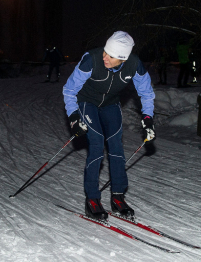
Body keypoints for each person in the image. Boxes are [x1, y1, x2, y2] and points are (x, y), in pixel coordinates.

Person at [62, 31, 156, 220]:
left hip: (111, 104)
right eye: (105, 51)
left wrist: (148, 119)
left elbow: (146, 93)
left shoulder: (134, 65)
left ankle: (118, 197)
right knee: (96, 144)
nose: (105, 56)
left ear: (122, 58)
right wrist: (73, 117)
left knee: (116, 146)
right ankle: (93, 200)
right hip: (86, 101)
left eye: (111, 56)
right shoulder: (91, 60)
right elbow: (70, 90)